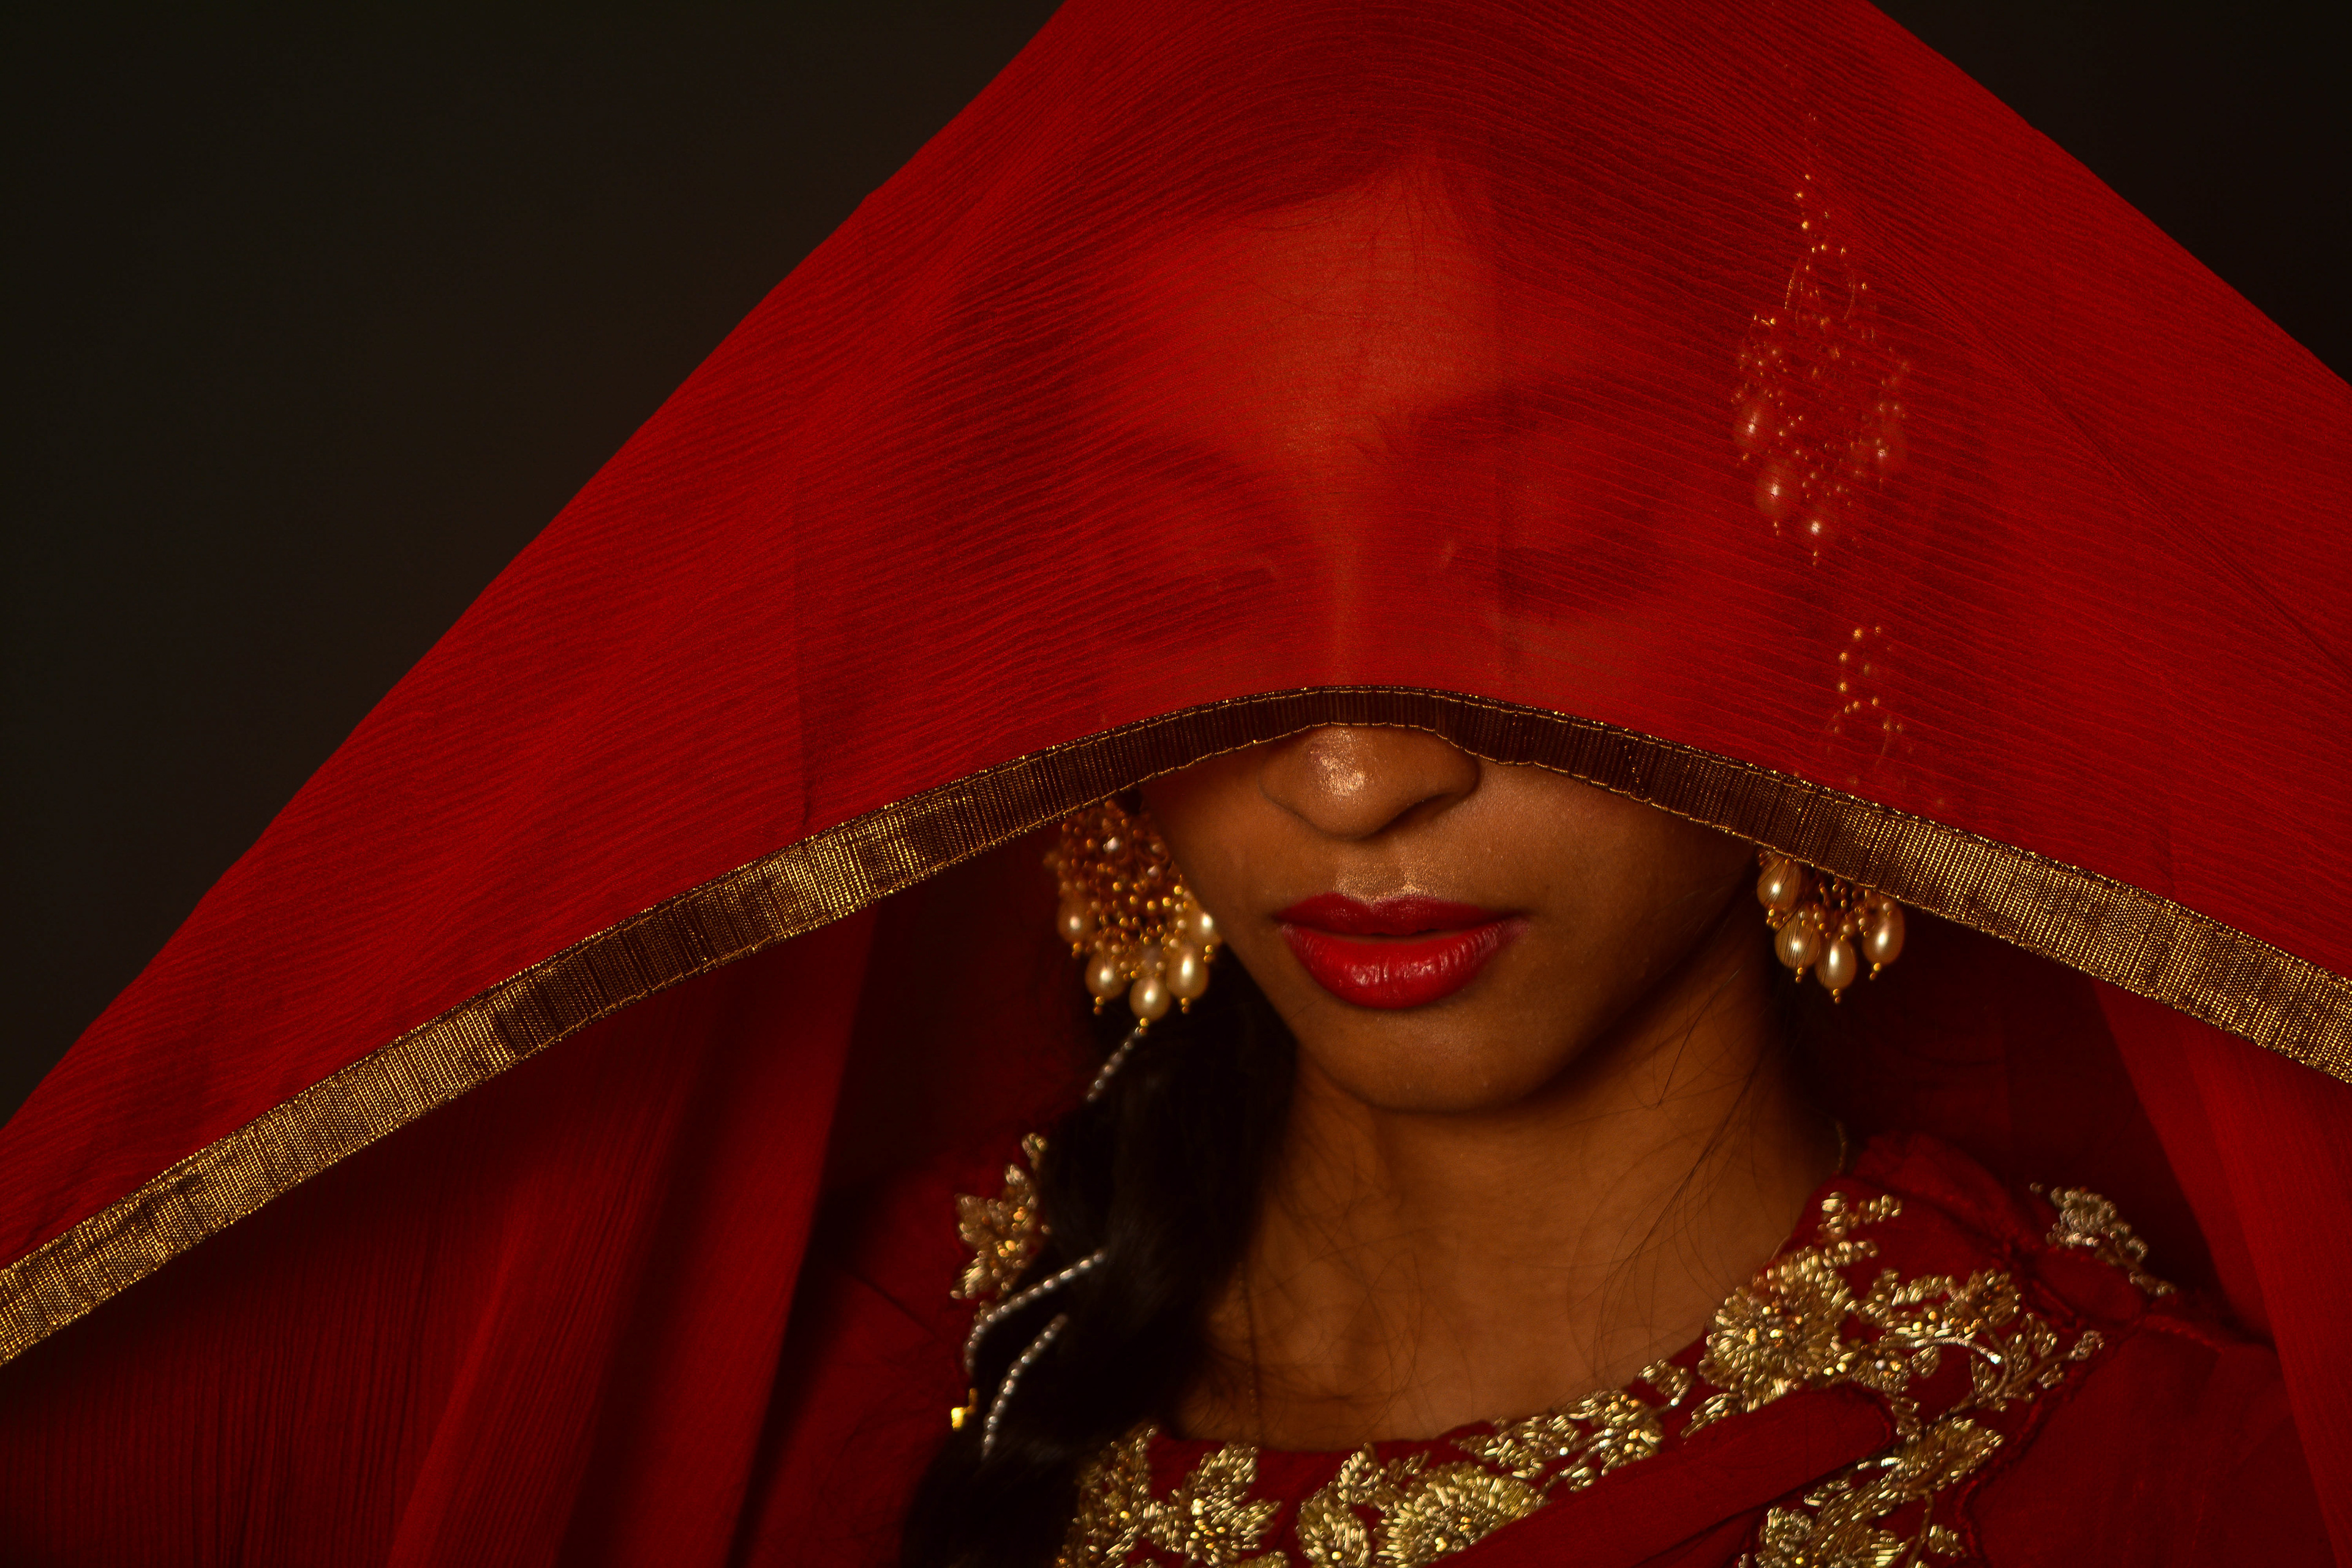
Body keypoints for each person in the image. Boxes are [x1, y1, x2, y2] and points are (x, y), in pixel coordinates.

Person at [0, 1, 2345, 1564]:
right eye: (1201, 600)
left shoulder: (2163, 1489)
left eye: (1533, 570)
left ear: (1830, 554)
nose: (1350, 771)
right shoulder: (824, 1380)